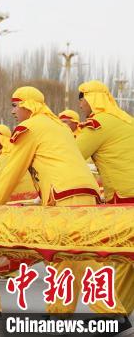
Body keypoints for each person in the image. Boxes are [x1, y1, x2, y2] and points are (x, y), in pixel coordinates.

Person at [0, 86, 128, 317]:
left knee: (81, 258)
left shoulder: (31, 127)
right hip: (84, 193)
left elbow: (13, 171)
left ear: (27, 105)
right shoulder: (56, 125)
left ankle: (111, 314)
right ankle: (59, 312)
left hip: (66, 197)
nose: (13, 111)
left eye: (15, 105)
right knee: (60, 256)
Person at [76, 80, 134, 325]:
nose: (80, 105)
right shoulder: (126, 120)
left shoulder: (98, 125)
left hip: (123, 200)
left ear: (92, 99)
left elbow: (71, 155)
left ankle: (111, 313)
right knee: (127, 261)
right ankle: (116, 315)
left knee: (109, 258)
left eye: (81, 98)